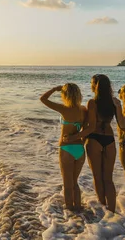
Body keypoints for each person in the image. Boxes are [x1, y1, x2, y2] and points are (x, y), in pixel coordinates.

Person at [64, 74, 125, 213]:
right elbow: (122, 124)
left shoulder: (92, 103)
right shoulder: (114, 102)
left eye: (91, 83)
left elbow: (91, 126)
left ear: (96, 86)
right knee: (108, 178)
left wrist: (75, 137)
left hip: (94, 139)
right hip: (110, 140)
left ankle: (103, 209)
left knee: (97, 177)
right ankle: (112, 212)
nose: (90, 85)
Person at [40, 83, 87, 211]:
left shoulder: (63, 109)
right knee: (75, 182)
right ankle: (79, 208)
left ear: (65, 95)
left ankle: (70, 212)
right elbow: (88, 129)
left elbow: (43, 99)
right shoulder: (83, 110)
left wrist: (55, 89)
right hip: (80, 150)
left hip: (66, 148)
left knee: (67, 184)